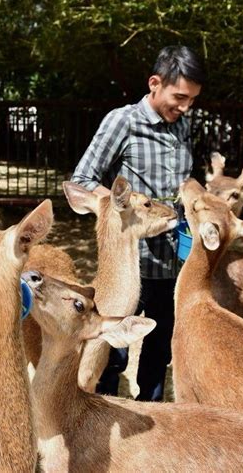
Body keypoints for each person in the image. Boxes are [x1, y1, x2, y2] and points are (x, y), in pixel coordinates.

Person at [71, 45, 206, 401]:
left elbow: (185, 182)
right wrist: (130, 209)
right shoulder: (123, 121)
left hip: (172, 261)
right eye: (180, 97)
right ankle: (103, 417)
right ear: (154, 83)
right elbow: (83, 178)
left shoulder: (184, 127)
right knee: (112, 354)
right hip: (128, 267)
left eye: (192, 99)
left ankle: (151, 419)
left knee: (159, 350)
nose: (185, 106)